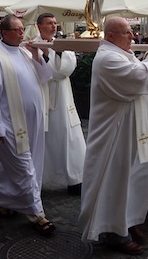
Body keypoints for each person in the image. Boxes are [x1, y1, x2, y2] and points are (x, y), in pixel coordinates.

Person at [79, 17, 148, 255]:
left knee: (146, 170)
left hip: (134, 132)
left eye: (131, 32)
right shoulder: (106, 57)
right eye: (127, 32)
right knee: (117, 181)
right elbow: (136, 77)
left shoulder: (122, 53)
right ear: (110, 36)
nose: (132, 36)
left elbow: (141, 72)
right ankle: (115, 233)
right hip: (115, 134)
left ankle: (130, 219)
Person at [0, 15, 55, 237]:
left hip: (32, 121)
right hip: (11, 125)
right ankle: (37, 213)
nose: (23, 33)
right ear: (5, 33)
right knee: (24, 168)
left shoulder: (25, 52)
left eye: (23, 29)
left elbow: (45, 77)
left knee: (17, 165)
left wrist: (37, 55)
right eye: (17, 30)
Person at [33, 13, 86, 195]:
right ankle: (40, 179)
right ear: (39, 26)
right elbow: (39, 72)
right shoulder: (33, 46)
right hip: (42, 96)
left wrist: (52, 54)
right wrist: (46, 55)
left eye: (55, 23)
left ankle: (75, 179)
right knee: (44, 139)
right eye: (49, 23)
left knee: (69, 136)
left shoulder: (62, 45)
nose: (54, 26)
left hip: (62, 98)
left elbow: (64, 72)